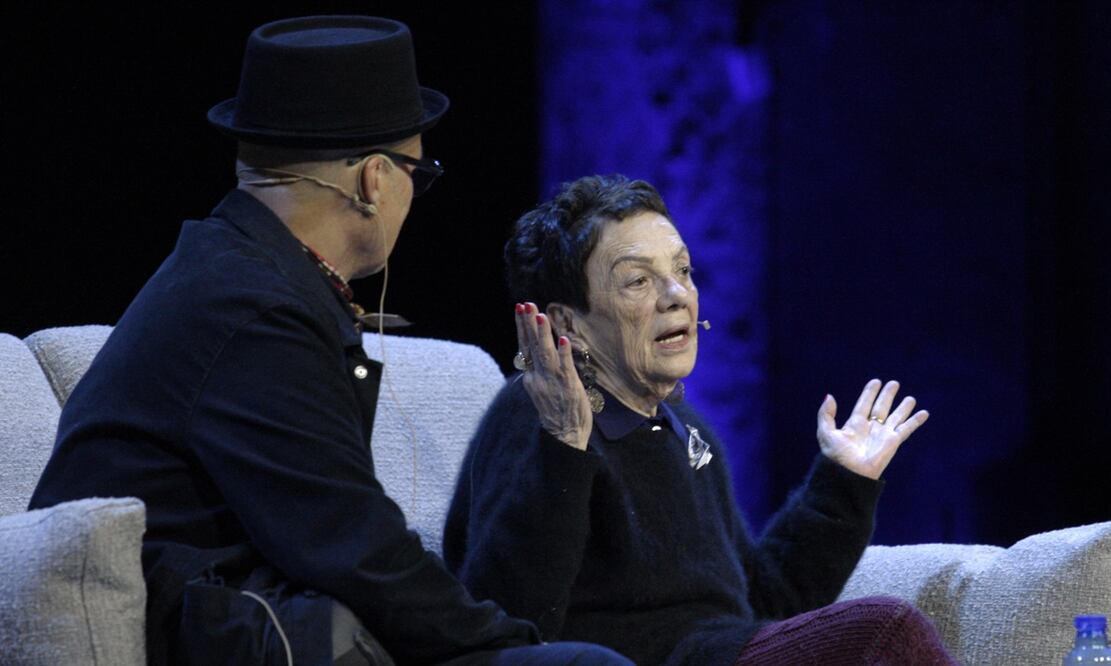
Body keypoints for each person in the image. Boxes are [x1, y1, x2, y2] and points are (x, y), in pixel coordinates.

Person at [28, 16, 631, 666]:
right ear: (374, 179)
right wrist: (511, 646)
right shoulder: (252, 307)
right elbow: (354, 548)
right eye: (416, 172)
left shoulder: (234, 273)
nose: (411, 196)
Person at [443, 174, 959, 665]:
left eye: (683, 271)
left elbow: (762, 603)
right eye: (638, 281)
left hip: (724, 650)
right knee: (886, 627)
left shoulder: (683, 427)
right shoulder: (537, 414)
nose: (677, 297)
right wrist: (563, 449)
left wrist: (843, 482)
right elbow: (508, 617)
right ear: (567, 323)